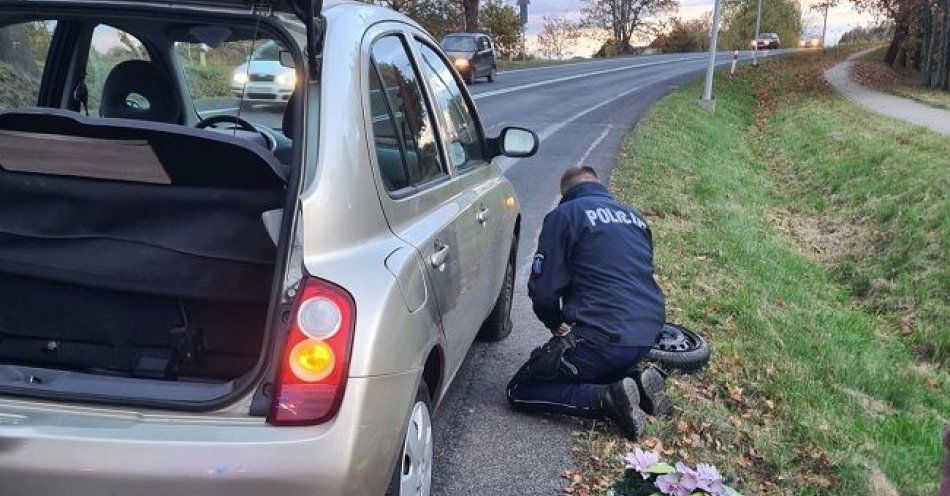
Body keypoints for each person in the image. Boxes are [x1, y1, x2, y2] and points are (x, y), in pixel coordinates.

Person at [507, 165, 670, 439]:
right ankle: (637, 384)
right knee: (597, 362)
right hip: (647, 335)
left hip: (601, 339)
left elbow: (544, 291)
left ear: (565, 193)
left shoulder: (565, 215)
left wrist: (555, 324)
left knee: (521, 389)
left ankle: (606, 399)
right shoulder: (636, 218)